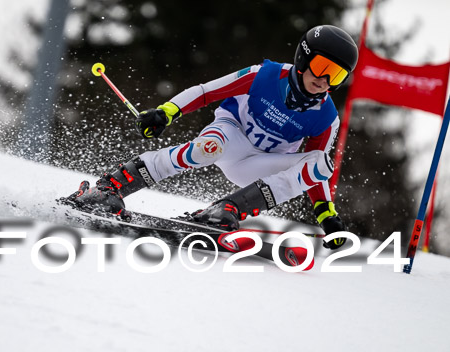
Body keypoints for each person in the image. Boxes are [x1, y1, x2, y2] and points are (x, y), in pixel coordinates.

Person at [65, 25, 358, 250]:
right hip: (231, 134)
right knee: (208, 147)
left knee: (322, 163)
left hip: (259, 164)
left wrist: (326, 215)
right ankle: (112, 185)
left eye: (337, 75)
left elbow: (311, 171)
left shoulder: (326, 118)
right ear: (304, 58)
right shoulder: (265, 76)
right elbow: (207, 91)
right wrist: (167, 112)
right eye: (323, 67)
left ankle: (225, 211)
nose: (325, 80)